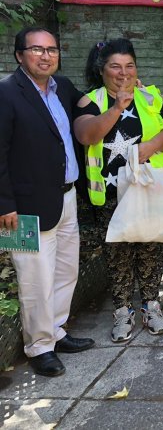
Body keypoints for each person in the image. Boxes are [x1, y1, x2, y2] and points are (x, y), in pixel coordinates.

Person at [74, 39, 163, 343]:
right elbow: (86, 134)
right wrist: (117, 108)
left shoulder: (151, 98)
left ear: (137, 69)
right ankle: (123, 310)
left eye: (129, 66)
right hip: (110, 194)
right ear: (102, 70)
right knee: (117, 254)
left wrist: (150, 146)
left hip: (148, 187)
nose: (123, 73)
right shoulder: (91, 101)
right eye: (115, 66)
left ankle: (151, 305)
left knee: (150, 249)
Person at [0, 27, 94, 377]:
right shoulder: (7, 93)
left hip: (65, 196)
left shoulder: (63, 88)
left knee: (66, 270)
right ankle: (39, 347)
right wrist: (3, 204)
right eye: (36, 49)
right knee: (34, 278)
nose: (45, 55)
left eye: (52, 49)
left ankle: (55, 332)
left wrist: (117, 98)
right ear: (19, 55)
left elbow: (89, 104)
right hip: (23, 206)